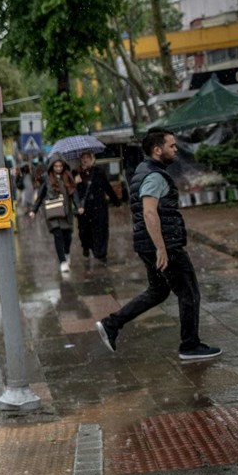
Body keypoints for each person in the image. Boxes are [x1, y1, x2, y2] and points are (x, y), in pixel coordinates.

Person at [96, 129, 222, 362]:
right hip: (165, 245)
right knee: (189, 292)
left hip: (148, 244)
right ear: (157, 149)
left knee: (158, 291)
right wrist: (161, 248)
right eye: (172, 146)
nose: (175, 150)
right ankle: (190, 346)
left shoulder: (143, 171)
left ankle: (111, 324)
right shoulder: (153, 175)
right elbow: (149, 213)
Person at [29, 156, 79, 273]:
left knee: (67, 236)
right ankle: (62, 261)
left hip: (66, 212)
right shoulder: (47, 179)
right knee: (58, 235)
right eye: (56, 166)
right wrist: (34, 210)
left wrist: (79, 206)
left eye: (60, 166)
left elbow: (73, 193)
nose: (58, 168)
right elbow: (41, 196)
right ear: (52, 166)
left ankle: (66, 253)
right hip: (52, 212)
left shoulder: (68, 177)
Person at [73, 152, 121, 264]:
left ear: (92, 159)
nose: (85, 160)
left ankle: (101, 254)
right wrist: (75, 183)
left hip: (99, 206)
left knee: (101, 230)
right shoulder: (76, 173)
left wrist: (116, 201)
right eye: (83, 158)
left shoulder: (99, 171)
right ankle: (86, 246)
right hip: (84, 208)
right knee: (84, 232)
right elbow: (71, 191)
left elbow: (107, 186)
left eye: (87, 158)